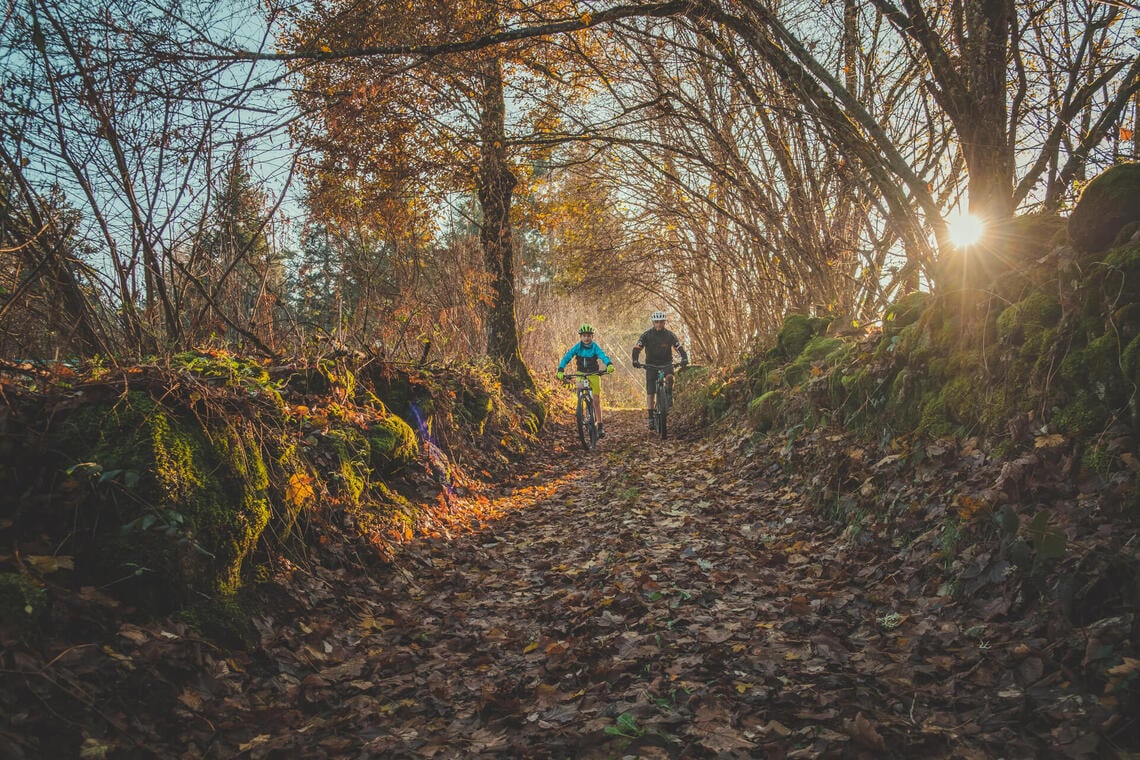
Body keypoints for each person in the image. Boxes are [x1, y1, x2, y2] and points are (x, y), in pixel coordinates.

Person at [632, 310, 689, 430]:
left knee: (669, 377)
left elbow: (679, 347)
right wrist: (635, 360)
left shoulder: (669, 335)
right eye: (656, 322)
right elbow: (637, 348)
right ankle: (651, 417)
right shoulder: (647, 335)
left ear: (664, 322)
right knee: (651, 391)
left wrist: (684, 358)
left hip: (666, 363)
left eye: (661, 322)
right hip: (651, 364)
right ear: (653, 322)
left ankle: (668, 394)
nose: (659, 324)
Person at [556, 324, 616, 438]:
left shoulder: (595, 347)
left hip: (594, 374)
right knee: (579, 391)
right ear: (580, 337)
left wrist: (609, 364)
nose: (586, 338)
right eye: (584, 336)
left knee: (596, 400)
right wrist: (561, 369)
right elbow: (567, 356)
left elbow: (603, 355)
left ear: (592, 336)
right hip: (581, 374)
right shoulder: (577, 347)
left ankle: (600, 426)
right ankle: (580, 410)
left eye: (588, 335)